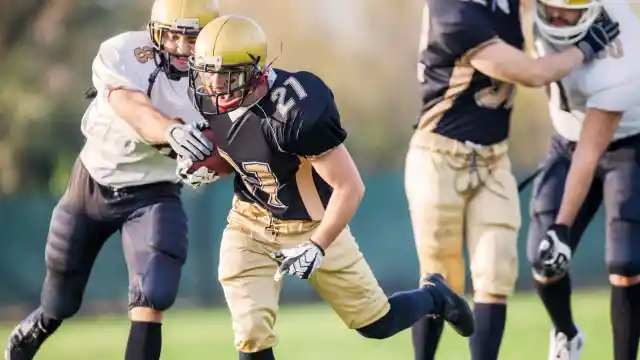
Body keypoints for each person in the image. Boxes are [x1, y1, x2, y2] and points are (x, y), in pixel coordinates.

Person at [179, 14, 475, 360]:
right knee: (251, 333)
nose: (214, 86)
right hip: (250, 223)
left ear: (256, 69)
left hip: (313, 225)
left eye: (227, 75)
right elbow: (244, 157)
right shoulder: (211, 99)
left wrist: (318, 245)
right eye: (207, 73)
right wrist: (207, 168)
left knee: (376, 323)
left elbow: (350, 186)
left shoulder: (296, 111)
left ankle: (435, 296)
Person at [3, 1, 220, 359]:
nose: (182, 49)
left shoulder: (217, 78)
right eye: (174, 36)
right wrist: (171, 131)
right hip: (93, 184)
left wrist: (213, 163)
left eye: (193, 38)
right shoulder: (124, 53)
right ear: (155, 33)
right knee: (61, 299)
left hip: (155, 192)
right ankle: (42, 322)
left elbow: (233, 142)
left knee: (154, 292)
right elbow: (131, 106)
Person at [405, 0, 621, 359]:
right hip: (439, 156)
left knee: (496, 273)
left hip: (494, 158)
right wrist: (584, 48)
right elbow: (531, 73)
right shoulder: (451, 9)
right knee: (439, 274)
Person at [527, 0, 640, 359]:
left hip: (625, 143)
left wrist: (563, 226)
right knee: (541, 258)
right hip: (566, 140)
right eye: (549, 5)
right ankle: (567, 335)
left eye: (566, 7)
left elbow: (589, 154)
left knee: (625, 261)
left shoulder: (622, 55)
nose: (555, 14)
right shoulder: (533, 15)